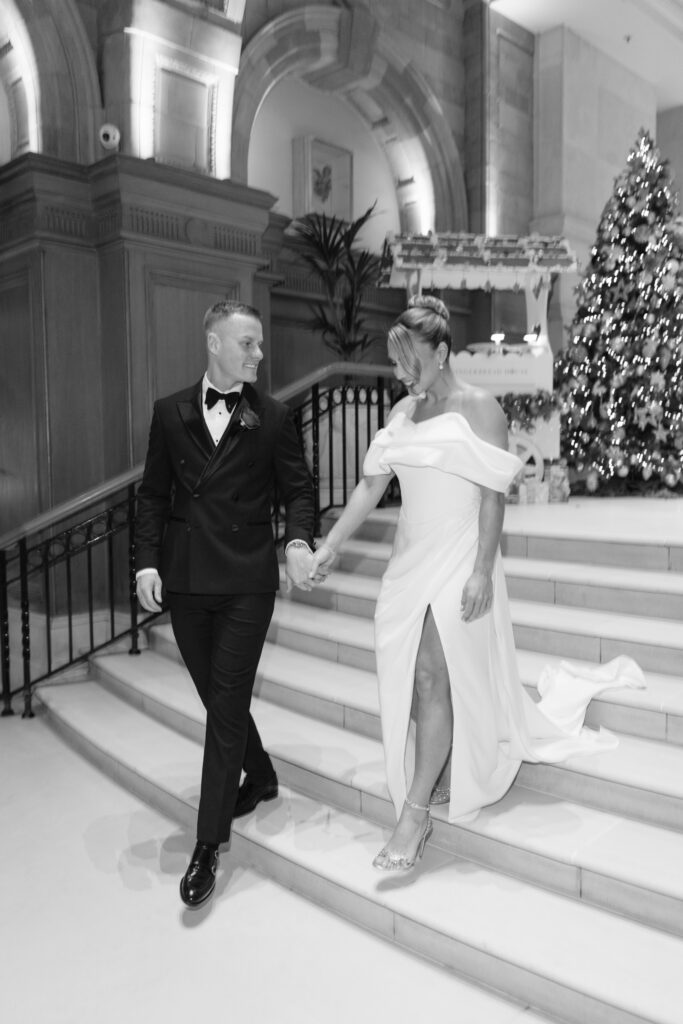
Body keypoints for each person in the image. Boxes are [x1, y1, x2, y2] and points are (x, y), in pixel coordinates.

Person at [310, 295, 643, 874]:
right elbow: (369, 488)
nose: (400, 373)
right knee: (415, 676)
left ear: (440, 353)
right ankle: (436, 768)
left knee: (432, 672)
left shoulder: (481, 408)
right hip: (409, 560)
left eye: (408, 359)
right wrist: (329, 545)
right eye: (396, 361)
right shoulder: (402, 415)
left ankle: (414, 814)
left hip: (461, 555)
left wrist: (483, 569)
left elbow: (493, 495)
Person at [136, 299, 316, 908]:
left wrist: (295, 538)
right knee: (219, 696)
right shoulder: (169, 413)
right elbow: (152, 497)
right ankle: (261, 776)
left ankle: (208, 844)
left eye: (260, 344)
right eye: (248, 344)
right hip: (186, 581)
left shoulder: (272, 416)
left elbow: (299, 489)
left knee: (225, 706)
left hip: (245, 582)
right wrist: (145, 562)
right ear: (214, 343)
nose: (258, 354)